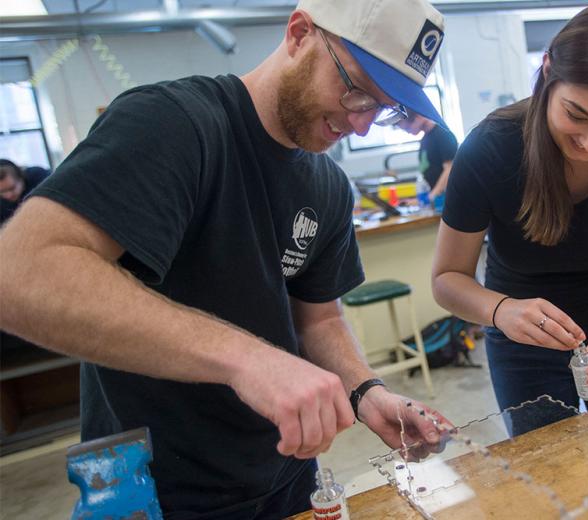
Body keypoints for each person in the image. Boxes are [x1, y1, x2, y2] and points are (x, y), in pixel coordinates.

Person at [0, 0, 450, 517]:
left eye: (383, 107)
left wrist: (367, 392)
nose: (362, 125)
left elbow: (319, 320)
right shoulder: (175, 127)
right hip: (155, 489)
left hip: (284, 477)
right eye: (355, 91)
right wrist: (250, 360)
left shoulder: (328, 187)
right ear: (300, 32)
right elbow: (19, 273)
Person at [432, 1, 588, 436]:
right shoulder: (491, 149)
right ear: (547, 71)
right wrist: (501, 310)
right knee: (551, 476)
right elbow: (447, 278)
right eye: (576, 115)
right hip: (521, 335)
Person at [396, 112, 458, 201]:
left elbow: (449, 168)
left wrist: (432, 196)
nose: (409, 132)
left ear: (418, 117)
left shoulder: (443, 134)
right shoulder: (425, 139)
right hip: (436, 197)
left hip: (448, 197)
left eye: (408, 128)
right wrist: (420, 199)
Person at [0, 159, 50, 225]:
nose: (8, 195)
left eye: (12, 188)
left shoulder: (39, 177)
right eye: (2, 191)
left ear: (21, 177)